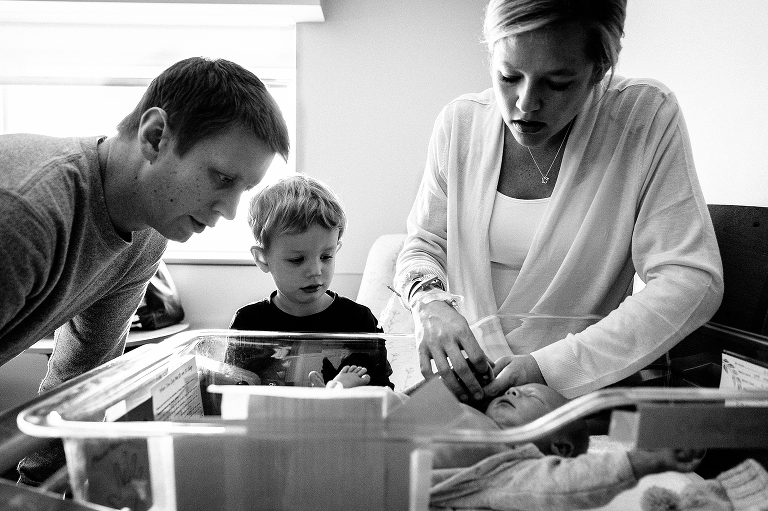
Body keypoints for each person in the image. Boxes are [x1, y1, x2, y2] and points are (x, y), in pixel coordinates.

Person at [392, 0, 723, 403]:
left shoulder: (644, 117)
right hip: (456, 382)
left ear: (599, 69)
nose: (526, 103)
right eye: (509, 76)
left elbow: (689, 279)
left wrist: (550, 367)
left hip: (568, 396)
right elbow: (424, 245)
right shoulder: (459, 123)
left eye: (558, 83)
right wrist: (428, 301)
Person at [0, 56, 290, 485]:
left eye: (245, 189)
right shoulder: (27, 213)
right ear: (155, 137)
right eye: (222, 178)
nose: (230, 211)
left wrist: (40, 491)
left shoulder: (147, 236)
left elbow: (81, 381)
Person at [317, 366, 765, 511]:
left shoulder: (506, 463)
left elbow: (560, 486)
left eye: (531, 396)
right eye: (514, 390)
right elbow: (401, 407)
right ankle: (324, 398)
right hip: (340, 435)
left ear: (560, 446)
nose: (514, 390)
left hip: (357, 477)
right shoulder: (470, 416)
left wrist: (642, 461)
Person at [229, 174, 392, 388]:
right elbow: (232, 391)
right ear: (262, 259)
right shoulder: (249, 324)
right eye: (297, 260)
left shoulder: (358, 321)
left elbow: (383, 394)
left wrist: (343, 390)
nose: (316, 271)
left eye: (326, 256)